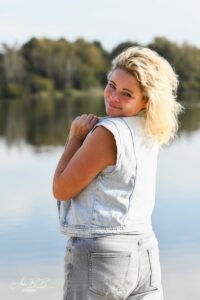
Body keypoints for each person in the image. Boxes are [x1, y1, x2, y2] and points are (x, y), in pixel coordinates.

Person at [52, 46, 183, 300]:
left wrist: (75, 138)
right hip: (145, 252)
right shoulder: (150, 129)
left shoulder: (107, 133)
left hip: (101, 256)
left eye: (126, 94)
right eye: (111, 85)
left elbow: (61, 188)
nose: (113, 97)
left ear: (145, 100)